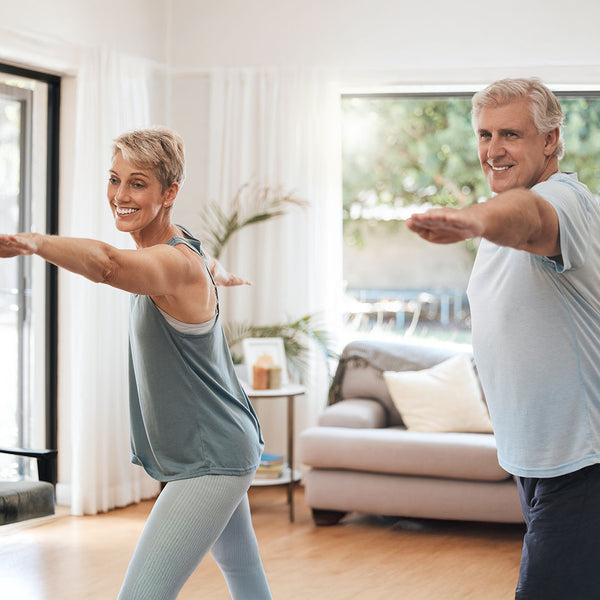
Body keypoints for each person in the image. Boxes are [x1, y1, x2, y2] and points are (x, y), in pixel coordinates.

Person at [0, 127, 272, 599]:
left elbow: (107, 264)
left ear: (170, 192)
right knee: (241, 568)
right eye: (114, 179)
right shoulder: (184, 248)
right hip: (221, 446)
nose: (120, 195)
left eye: (138, 183)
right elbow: (204, 263)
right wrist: (222, 273)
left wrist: (33, 243)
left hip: (212, 458)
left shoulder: (171, 263)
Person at [407, 78, 600, 599]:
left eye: (511, 134)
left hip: (583, 462)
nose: (493, 150)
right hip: (534, 458)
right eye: (485, 134)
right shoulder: (501, 217)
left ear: (551, 139)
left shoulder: (564, 200)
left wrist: (470, 220)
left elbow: (529, 219)